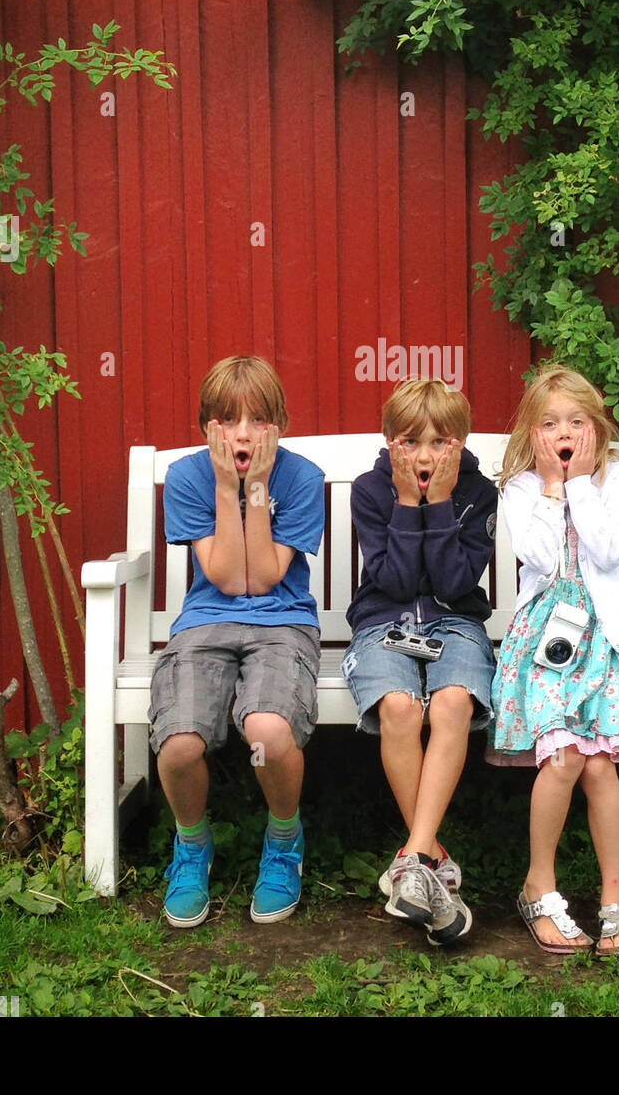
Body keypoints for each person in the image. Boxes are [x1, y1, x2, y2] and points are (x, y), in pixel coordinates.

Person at [488, 364, 619, 957]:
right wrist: (551, 488)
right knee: (563, 759)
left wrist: (583, 484)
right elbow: (536, 556)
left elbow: (611, 550)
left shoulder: (616, 479)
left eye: (576, 421)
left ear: (596, 427)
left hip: (607, 642)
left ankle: (615, 898)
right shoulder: (520, 487)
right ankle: (540, 886)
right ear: (531, 433)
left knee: (599, 767)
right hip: (547, 644)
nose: (564, 433)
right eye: (550, 423)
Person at [150, 356, 325, 928]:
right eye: (227, 419)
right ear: (206, 428)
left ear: (280, 425)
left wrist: (256, 490)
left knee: (268, 734)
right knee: (178, 744)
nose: (243, 433)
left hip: (282, 624)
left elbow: (262, 578)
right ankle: (192, 846)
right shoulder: (188, 478)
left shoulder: (300, 478)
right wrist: (229, 486)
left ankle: (282, 842)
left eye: (258, 418)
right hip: (204, 624)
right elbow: (227, 579)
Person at [344, 379, 499, 945]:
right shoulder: (370, 490)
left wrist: (439, 503)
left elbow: (458, 583)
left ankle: (411, 862)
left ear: (461, 444)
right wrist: (409, 503)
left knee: (453, 702)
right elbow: (393, 580)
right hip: (383, 623)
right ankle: (434, 862)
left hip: (455, 622)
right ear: (390, 443)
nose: (427, 455)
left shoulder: (479, 492)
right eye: (412, 441)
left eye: (442, 441)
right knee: (400, 707)